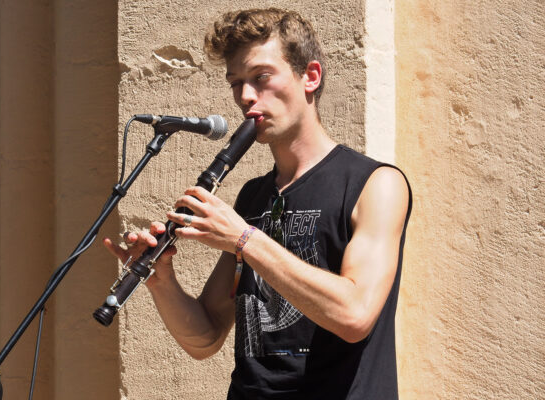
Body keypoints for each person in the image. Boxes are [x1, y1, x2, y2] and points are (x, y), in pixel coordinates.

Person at [104, 8, 411, 399]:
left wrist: (244, 239)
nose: (246, 96)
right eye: (237, 83)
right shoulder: (254, 196)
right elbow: (206, 337)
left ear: (310, 77)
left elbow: (354, 315)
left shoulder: (375, 184)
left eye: (261, 78)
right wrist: (162, 280)